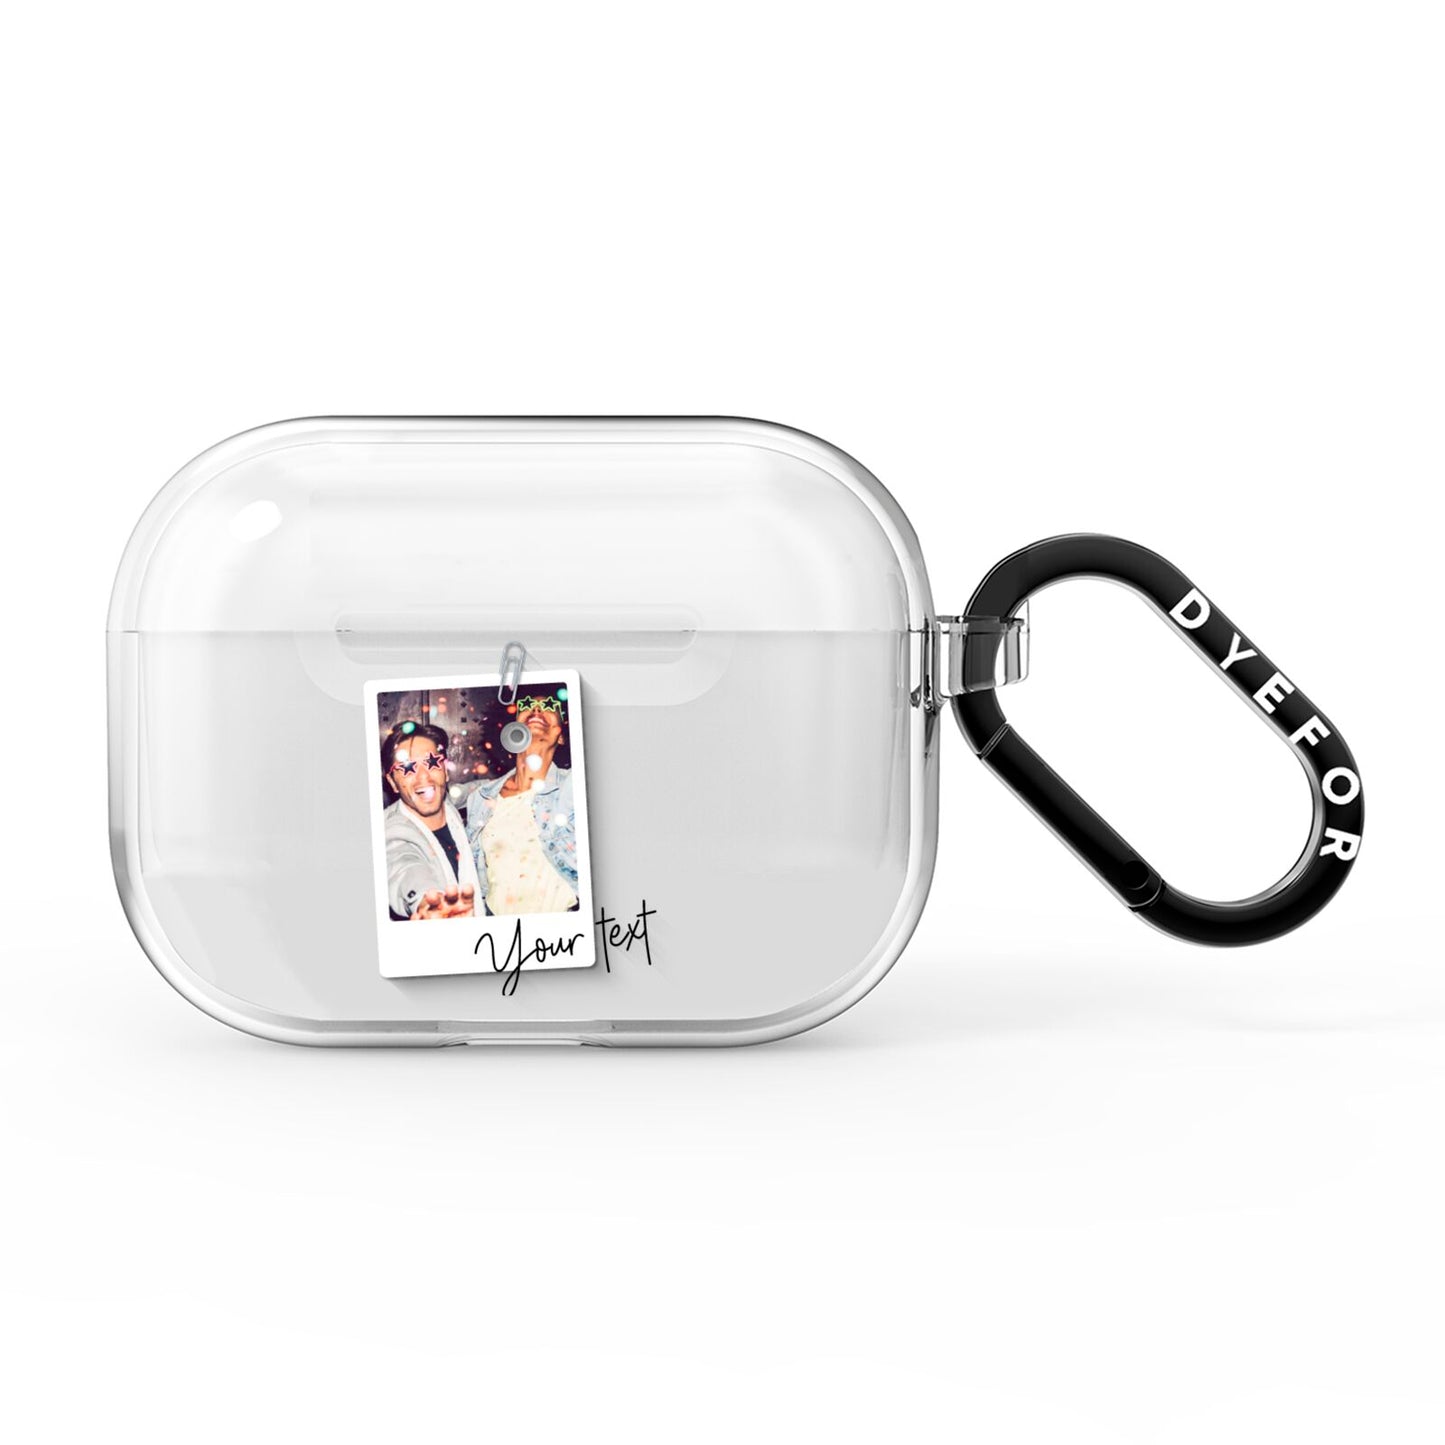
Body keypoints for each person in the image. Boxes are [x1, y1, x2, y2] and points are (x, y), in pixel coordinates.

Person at [460, 693, 579, 915]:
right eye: (527, 704)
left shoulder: (574, 787)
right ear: (511, 731)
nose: (537, 709)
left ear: (561, 736)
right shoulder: (481, 798)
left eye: (549, 705)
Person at [380, 720, 480, 921]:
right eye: (407, 768)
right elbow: (402, 866)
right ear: (392, 782)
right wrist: (427, 900)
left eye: (431, 762)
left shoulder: (452, 806)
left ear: (445, 770)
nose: (423, 777)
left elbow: (491, 788)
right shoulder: (389, 832)